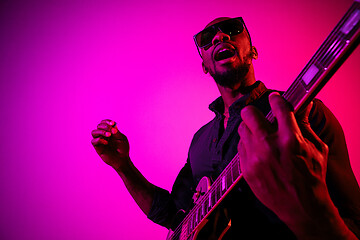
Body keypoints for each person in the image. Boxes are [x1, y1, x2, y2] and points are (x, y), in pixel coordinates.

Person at [91, 17, 360, 239]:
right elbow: (173, 216)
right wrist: (123, 165)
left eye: (232, 29)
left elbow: (354, 219)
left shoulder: (301, 112)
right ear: (205, 66)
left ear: (253, 51)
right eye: (206, 39)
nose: (220, 37)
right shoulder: (200, 141)